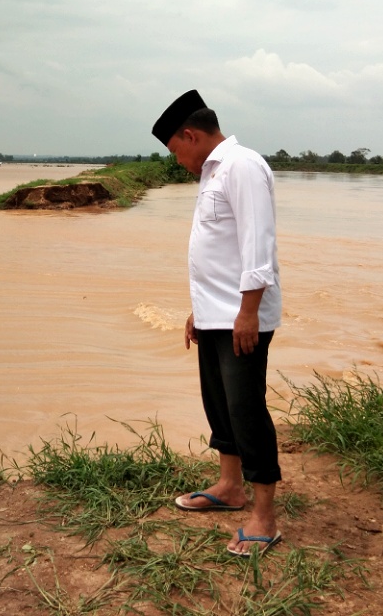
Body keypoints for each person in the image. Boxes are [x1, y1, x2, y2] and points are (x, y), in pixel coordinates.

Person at [151, 89, 283, 558]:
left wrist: (248, 312)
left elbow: (256, 244)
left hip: (240, 318)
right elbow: (217, 252)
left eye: (174, 149)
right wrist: (199, 311)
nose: (176, 159)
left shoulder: (241, 166)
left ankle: (264, 516)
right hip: (215, 315)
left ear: (190, 134)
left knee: (247, 410)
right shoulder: (212, 173)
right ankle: (230, 487)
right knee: (220, 405)